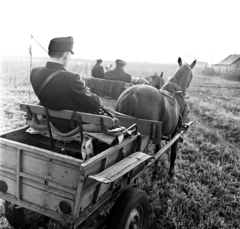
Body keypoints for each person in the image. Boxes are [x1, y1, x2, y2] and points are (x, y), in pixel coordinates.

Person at [30, 36, 103, 132]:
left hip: (49, 120)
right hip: (71, 125)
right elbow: (96, 104)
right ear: (66, 55)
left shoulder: (35, 72)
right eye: (69, 55)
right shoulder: (71, 78)